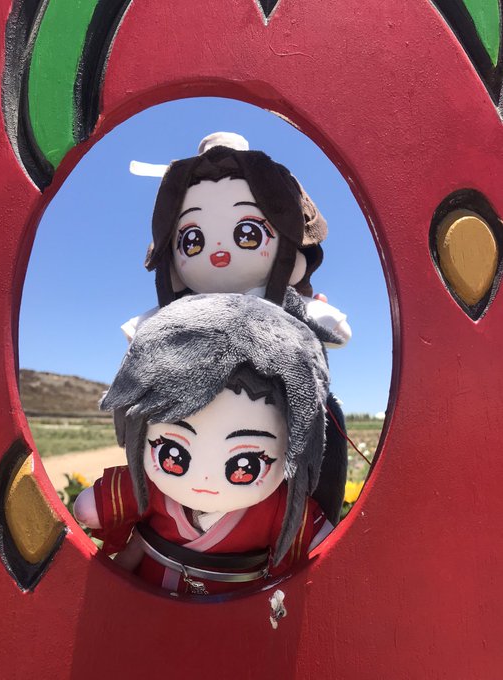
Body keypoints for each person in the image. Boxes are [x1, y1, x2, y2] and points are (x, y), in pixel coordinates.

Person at [75, 293, 346, 595]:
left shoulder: (277, 507)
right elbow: (98, 505)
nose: (205, 477)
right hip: (148, 599)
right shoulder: (150, 488)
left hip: (235, 610)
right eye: (173, 452)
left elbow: (320, 542)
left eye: (246, 463)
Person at [122, 132, 351, 348]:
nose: (218, 250)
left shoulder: (283, 304)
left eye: (248, 234)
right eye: (193, 241)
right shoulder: (184, 311)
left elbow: (337, 331)